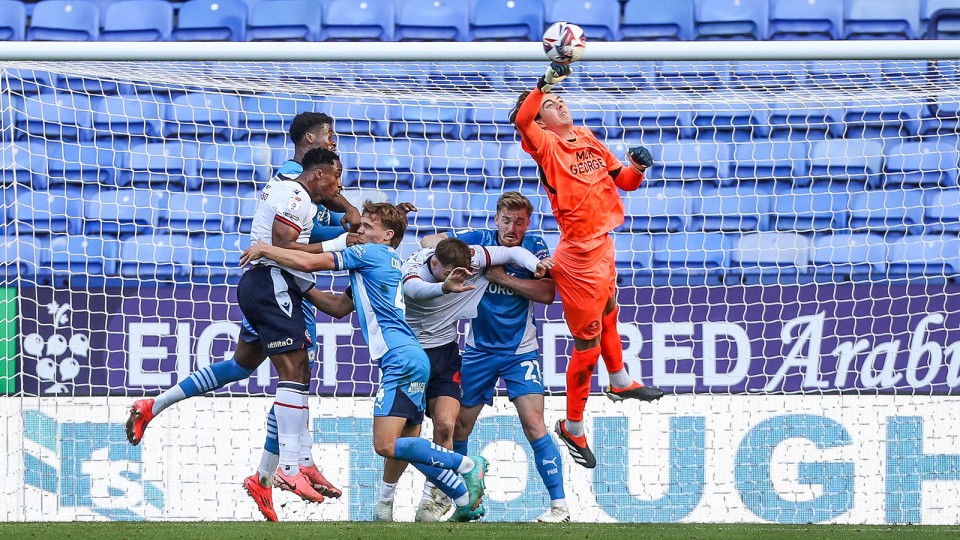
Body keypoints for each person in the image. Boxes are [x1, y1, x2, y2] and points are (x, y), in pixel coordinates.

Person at [127, 148, 347, 519]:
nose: (341, 184)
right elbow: (283, 244)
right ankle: (291, 467)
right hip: (276, 285)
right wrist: (340, 243)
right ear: (318, 169)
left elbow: (292, 238)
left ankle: (154, 406)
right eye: (336, 174)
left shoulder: (288, 186)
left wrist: (346, 227)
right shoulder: (296, 194)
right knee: (296, 373)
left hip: (273, 286)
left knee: (243, 364)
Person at [240, 201, 489, 523]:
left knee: (385, 445)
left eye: (367, 227)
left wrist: (267, 249)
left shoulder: (367, 254)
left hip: (400, 358)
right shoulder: (380, 263)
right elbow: (339, 307)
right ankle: (461, 495)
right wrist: (302, 288)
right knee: (405, 442)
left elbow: (310, 261)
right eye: (359, 226)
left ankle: (467, 465)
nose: (359, 231)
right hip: (410, 356)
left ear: (387, 236)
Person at [508, 63, 665, 470]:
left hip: (604, 244)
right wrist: (543, 82)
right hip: (578, 256)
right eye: (550, 103)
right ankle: (573, 425)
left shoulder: (588, 137)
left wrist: (639, 168)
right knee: (586, 344)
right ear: (539, 120)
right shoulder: (544, 145)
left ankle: (619, 381)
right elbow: (523, 115)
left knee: (610, 309)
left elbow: (625, 181)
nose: (558, 103)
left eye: (561, 99)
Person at [420, 191, 570, 522]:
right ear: (496, 220)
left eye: (519, 222)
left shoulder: (535, 248)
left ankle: (559, 506)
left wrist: (503, 278)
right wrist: (436, 245)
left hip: (520, 352)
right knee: (459, 428)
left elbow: (547, 294)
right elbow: (432, 241)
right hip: (477, 352)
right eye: (507, 220)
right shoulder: (478, 241)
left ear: (528, 224)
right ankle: (454, 496)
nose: (512, 227)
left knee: (534, 424)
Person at [385, 237, 553, 522]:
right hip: (409, 354)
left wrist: (535, 264)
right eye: (454, 272)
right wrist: (444, 287)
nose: (462, 277)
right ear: (435, 263)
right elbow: (415, 290)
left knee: (447, 426)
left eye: (465, 271)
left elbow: (511, 251)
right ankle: (385, 501)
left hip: (446, 353)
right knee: (402, 436)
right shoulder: (415, 267)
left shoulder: (472, 257)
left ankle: (431, 499)